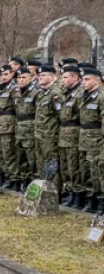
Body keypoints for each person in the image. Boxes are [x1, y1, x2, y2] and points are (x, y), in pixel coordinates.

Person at [58, 64, 84, 208]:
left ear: (75, 78)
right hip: (63, 133)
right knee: (65, 166)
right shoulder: (65, 93)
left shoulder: (80, 93)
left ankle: (77, 195)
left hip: (74, 134)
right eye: (62, 77)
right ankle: (69, 191)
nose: (63, 80)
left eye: (66, 77)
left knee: (74, 166)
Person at [78, 68, 104, 214]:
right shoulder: (84, 96)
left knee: (97, 171)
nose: (83, 82)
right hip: (84, 138)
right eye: (82, 80)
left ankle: (101, 201)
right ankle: (90, 198)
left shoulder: (101, 96)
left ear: (97, 80)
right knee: (86, 170)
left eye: (87, 79)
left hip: (97, 140)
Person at [34, 64, 62, 198]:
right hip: (39, 135)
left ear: (52, 77)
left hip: (50, 136)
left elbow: (61, 116)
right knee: (41, 163)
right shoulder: (41, 93)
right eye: (39, 75)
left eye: (44, 75)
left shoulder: (55, 94)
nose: (40, 77)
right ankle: (44, 190)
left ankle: (54, 193)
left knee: (52, 164)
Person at [0, 65, 19, 189]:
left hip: (9, 125)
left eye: (6, 74)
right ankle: (5, 175)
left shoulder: (14, 88)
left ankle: (14, 179)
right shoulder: (0, 88)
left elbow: (18, 107)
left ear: (12, 74)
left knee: (9, 154)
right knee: (1, 154)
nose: (3, 77)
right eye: (1, 75)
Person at [13, 69, 39, 188]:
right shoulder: (16, 92)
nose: (21, 80)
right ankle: (24, 179)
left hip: (30, 130)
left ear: (30, 78)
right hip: (19, 129)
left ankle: (33, 181)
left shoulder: (35, 92)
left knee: (32, 158)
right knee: (20, 157)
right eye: (19, 78)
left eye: (24, 77)